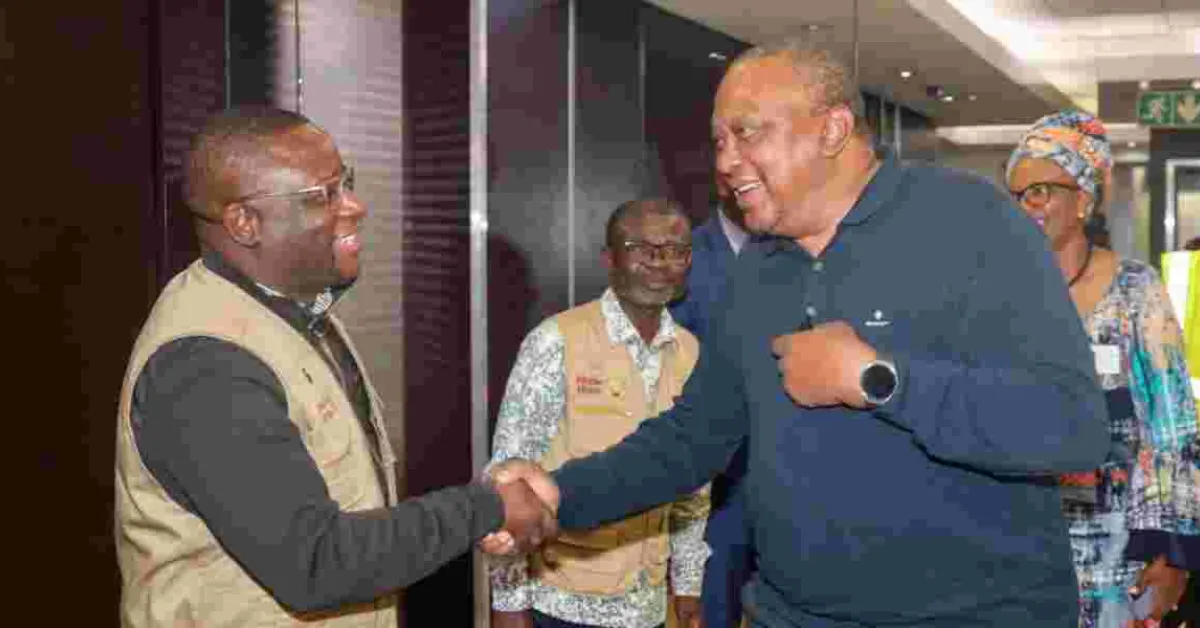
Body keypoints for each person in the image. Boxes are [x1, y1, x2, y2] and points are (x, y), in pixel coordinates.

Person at [483, 39, 1110, 627]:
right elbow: (691, 439)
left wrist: (877, 380)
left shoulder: (971, 220)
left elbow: (1071, 427)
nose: (726, 161)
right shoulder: (758, 271)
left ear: (832, 129)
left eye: (746, 133)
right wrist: (559, 492)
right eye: (719, 141)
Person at [114, 106, 555, 627]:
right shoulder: (206, 368)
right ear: (244, 222)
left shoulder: (296, 311)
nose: (355, 206)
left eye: (346, 182)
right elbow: (316, 563)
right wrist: (487, 508)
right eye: (323, 195)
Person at [1006, 109, 1200, 628]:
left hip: (1118, 559)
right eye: (1017, 194)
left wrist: (1172, 552)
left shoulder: (1136, 291)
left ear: (1084, 199)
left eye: (1040, 191)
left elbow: (1173, 432)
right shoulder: (998, 295)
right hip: (1016, 552)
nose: (1026, 206)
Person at [488, 198, 709, 628]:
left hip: (647, 606)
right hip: (562, 604)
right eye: (640, 248)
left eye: (674, 250)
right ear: (609, 258)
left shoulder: (692, 354)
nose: (658, 261)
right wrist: (509, 607)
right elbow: (509, 484)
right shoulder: (555, 342)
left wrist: (687, 584)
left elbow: (693, 488)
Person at [669, 183, 755, 628]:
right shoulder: (681, 258)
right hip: (713, 488)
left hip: (789, 478)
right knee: (710, 610)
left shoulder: (799, 249)